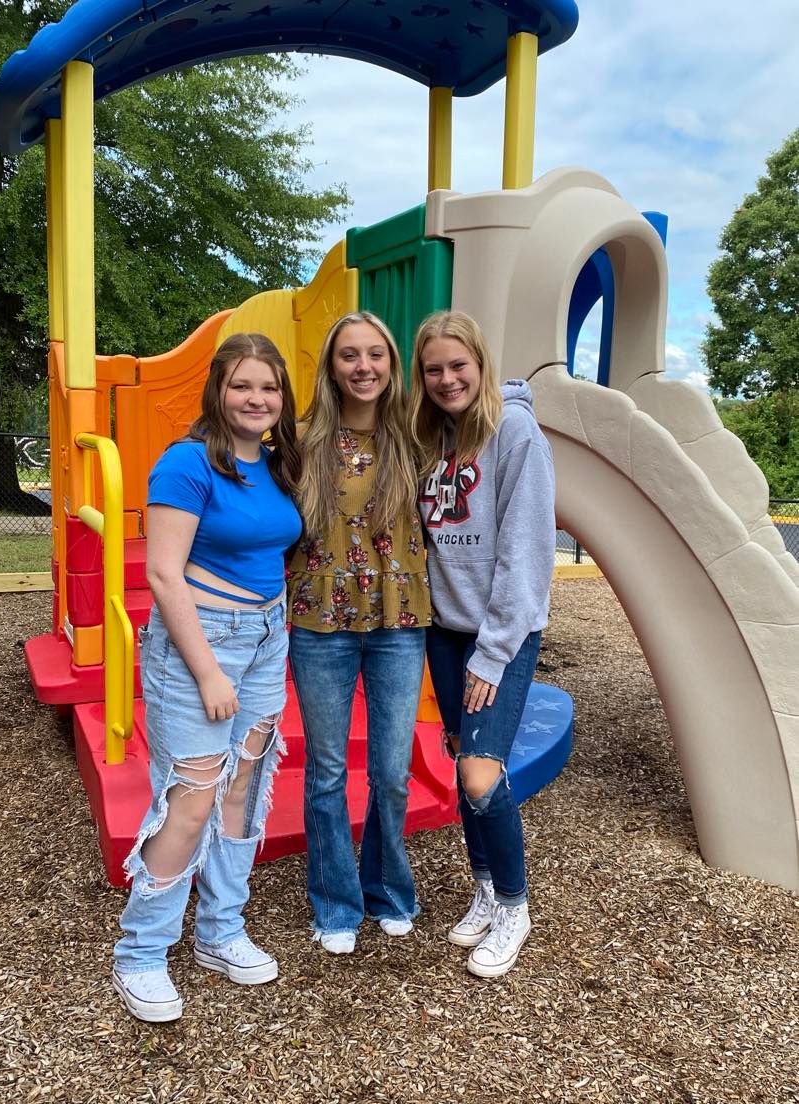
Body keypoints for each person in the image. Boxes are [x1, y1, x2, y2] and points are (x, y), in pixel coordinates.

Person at [112, 333, 302, 1022]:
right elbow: (164, 573)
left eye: (269, 388)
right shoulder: (186, 463)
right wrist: (206, 673)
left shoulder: (279, 465)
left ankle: (221, 932)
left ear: (282, 399)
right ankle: (140, 952)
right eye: (242, 385)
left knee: (244, 788)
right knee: (191, 796)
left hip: (264, 634)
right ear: (217, 391)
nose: (256, 399)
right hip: (201, 644)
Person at [409, 310, 555, 979]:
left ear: (480, 365)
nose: (446, 379)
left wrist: (494, 652)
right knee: (460, 761)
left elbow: (525, 554)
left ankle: (515, 906)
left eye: (457, 366)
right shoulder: (428, 435)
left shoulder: (514, 430)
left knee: (480, 771)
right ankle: (486, 887)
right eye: (434, 369)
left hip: (502, 632)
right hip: (445, 629)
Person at [287, 311, 432, 954]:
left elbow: (484, 431)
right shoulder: (300, 441)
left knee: (392, 771)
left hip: (400, 621)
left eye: (376, 354)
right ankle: (336, 900)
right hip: (321, 622)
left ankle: (389, 889)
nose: (364, 366)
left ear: (392, 364)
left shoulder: (417, 438)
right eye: (350, 355)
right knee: (324, 769)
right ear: (332, 365)